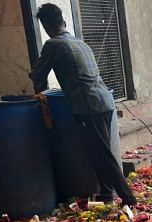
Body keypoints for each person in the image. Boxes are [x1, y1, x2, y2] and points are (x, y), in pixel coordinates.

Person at [29, 3, 136, 206]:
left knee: (102, 154)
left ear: (46, 28)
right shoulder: (79, 42)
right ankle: (106, 194)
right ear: (64, 21)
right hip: (104, 100)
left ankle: (128, 198)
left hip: (89, 106)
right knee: (98, 151)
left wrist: (36, 89)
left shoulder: (53, 45)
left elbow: (39, 76)